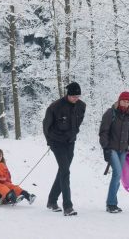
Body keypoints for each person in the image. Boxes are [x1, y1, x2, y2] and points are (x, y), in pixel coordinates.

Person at [42, 82, 86, 216]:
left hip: (70, 142)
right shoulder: (55, 107)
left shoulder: (82, 106)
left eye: (77, 96)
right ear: (68, 94)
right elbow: (46, 125)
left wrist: (73, 134)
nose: (76, 99)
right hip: (57, 142)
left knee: (63, 170)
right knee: (65, 172)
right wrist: (50, 142)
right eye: (73, 96)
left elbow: (78, 123)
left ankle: (51, 200)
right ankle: (68, 206)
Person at [99, 91, 129, 213]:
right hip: (112, 148)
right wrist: (106, 148)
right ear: (119, 100)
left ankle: (113, 203)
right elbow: (103, 132)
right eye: (124, 101)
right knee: (117, 172)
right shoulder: (111, 113)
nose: (126, 103)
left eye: (128, 101)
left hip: (123, 150)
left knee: (118, 175)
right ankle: (110, 204)